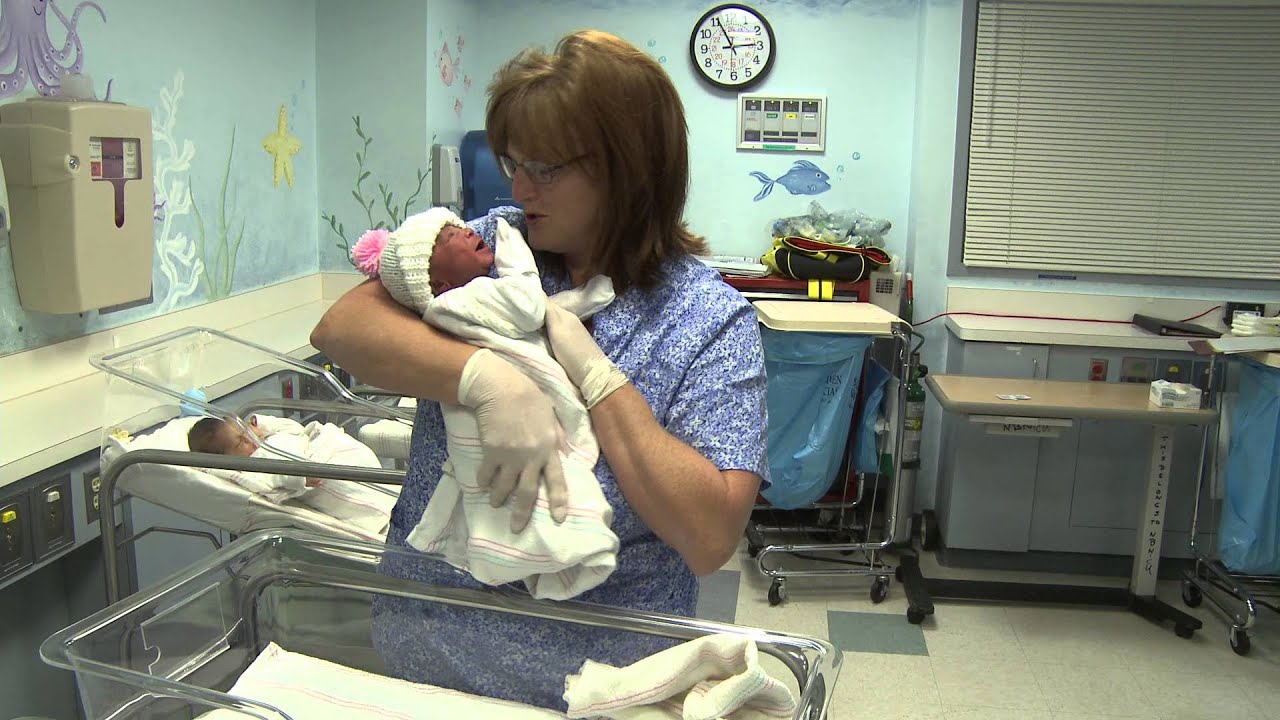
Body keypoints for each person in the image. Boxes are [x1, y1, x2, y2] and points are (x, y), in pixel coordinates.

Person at [309, 30, 769, 710]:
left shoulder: (709, 320)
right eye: (513, 163)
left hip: (607, 675)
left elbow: (708, 537)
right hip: (429, 645)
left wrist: (599, 379)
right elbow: (342, 328)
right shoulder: (494, 244)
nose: (520, 187)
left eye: (546, 168)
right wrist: (484, 380)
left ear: (628, 167)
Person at [348, 205, 620, 600]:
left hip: (496, 417)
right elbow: (528, 308)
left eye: (457, 228)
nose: (464, 233)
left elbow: (529, 313)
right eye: (447, 238)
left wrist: (579, 302)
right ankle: (559, 551)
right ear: (436, 281)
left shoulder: (472, 300)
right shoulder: (454, 303)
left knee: (523, 488)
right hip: (487, 420)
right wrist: (515, 253)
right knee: (539, 487)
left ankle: (542, 553)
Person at [187, 414, 396, 535]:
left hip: (328, 446)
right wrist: (300, 476)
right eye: (239, 442)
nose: (249, 438)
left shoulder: (268, 434)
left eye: (247, 430)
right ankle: (383, 513)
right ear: (226, 458)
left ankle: (391, 498)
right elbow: (273, 478)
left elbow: (294, 427)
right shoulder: (255, 463)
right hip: (315, 468)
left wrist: (262, 423)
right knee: (352, 490)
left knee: (369, 474)